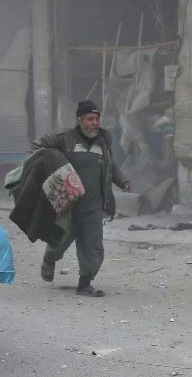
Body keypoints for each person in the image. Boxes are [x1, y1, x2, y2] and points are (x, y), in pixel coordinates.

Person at [32, 100, 130, 297]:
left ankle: (85, 284)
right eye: (89, 119)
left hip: (93, 206)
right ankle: (49, 260)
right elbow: (37, 147)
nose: (94, 123)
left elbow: (111, 166)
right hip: (68, 205)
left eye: (97, 118)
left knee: (93, 246)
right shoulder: (66, 139)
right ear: (79, 120)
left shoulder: (103, 142)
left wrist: (122, 181)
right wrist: (39, 168)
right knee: (59, 241)